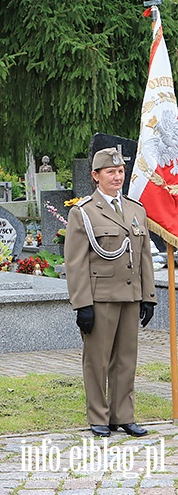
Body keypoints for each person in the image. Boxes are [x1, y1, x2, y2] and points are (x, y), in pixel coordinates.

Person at [64, 147, 156, 438]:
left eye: (120, 172)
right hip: (100, 296)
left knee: (126, 359)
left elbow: (142, 256)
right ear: (95, 176)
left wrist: (149, 296)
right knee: (97, 360)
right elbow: (76, 262)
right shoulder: (84, 212)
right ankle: (98, 416)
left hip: (130, 296)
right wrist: (82, 305)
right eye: (110, 172)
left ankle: (123, 415)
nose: (117, 177)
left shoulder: (135, 209)